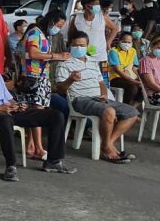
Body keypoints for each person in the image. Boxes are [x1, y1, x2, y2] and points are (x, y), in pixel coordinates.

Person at [0, 43, 75, 181]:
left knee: (56, 116)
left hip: (9, 111)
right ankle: (11, 166)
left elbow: (9, 99)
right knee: (5, 120)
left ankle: (54, 161)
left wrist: (17, 105)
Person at [55, 32, 140, 164]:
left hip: (99, 98)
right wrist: (71, 80)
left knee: (132, 113)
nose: (79, 48)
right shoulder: (64, 64)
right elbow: (60, 90)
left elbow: (101, 83)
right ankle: (108, 149)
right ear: (70, 45)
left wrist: (104, 94)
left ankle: (107, 144)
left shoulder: (93, 62)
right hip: (80, 99)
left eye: (82, 45)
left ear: (87, 46)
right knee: (109, 111)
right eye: (75, 45)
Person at [19, 11, 71, 159]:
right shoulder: (36, 33)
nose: (58, 29)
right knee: (38, 113)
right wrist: (56, 55)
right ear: (51, 21)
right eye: (58, 25)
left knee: (34, 112)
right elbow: (33, 53)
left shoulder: (43, 35)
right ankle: (39, 148)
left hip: (40, 76)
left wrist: (59, 58)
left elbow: (40, 57)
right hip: (34, 77)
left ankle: (31, 146)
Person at [68, 0, 117, 79]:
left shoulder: (102, 17)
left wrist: (108, 42)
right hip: (82, 56)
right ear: (87, 6)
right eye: (96, 4)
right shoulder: (76, 18)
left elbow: (114, 29)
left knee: (103, 80)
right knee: (84, 79)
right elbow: (71, 34)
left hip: (100, 55)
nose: (98, 7)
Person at [107, 31, 142, 107]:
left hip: (129, 76)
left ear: (132, 42)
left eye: (129, 42)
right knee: (132, 88)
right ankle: (124, 107)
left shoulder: (133, 51)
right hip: (115, 78)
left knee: (144, 87)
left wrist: (141, 79)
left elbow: (134, 68)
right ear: (119, 41)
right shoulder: (113, 51)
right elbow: (117, 70)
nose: (126, 44)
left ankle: (132, 108)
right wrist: (133, 81)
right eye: (124, 42)